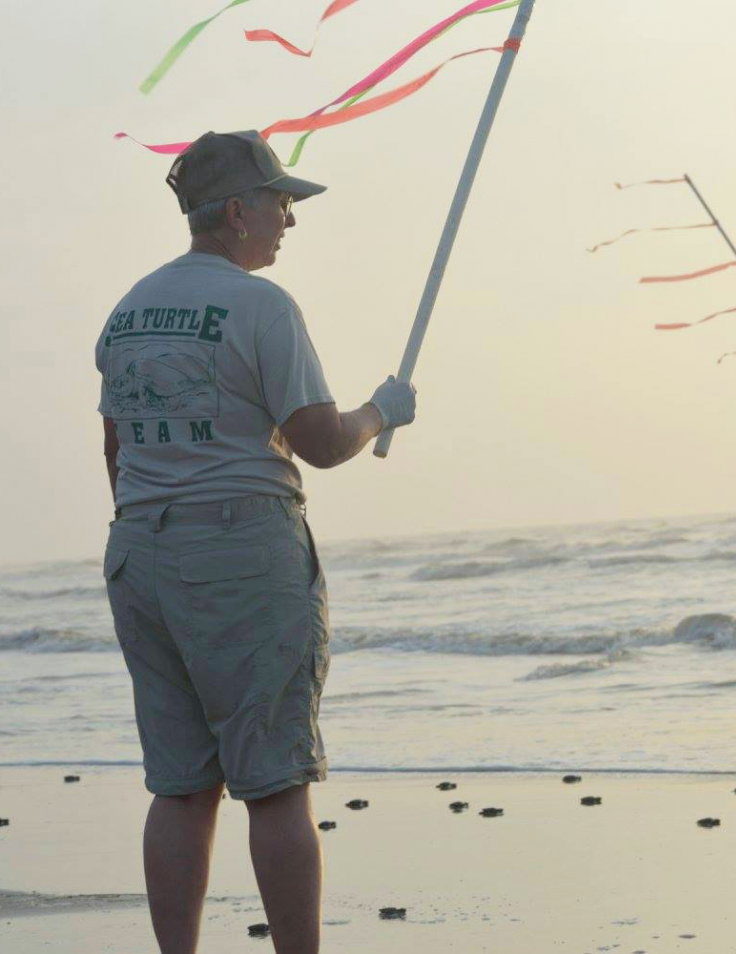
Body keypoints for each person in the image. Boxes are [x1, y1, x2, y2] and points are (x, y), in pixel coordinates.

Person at [95, 130, 417, 954]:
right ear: (236, 212)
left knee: (180, 785)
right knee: (275, 782)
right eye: (279, 203)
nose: (289, 220)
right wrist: (383, 410)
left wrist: (157, 526)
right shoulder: (261, 306)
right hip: (239, 549)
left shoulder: (131, 305)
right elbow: (319, 440)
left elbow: (117, 447)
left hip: (139, 552)